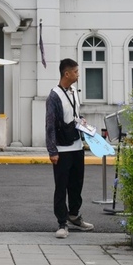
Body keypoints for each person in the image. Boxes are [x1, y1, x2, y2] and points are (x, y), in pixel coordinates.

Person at [46, 57, 94, 237]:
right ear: (66, 73)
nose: (78, 74)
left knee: (76, 184)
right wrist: (52, 150)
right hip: (62, 148)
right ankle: (61, 223)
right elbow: (49, 125)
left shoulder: (74, 91)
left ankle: (74, 216)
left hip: (77, 145)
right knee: (61, 187)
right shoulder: (54, 96)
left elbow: (74, 113)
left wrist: (81, 122)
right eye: (75, 72)